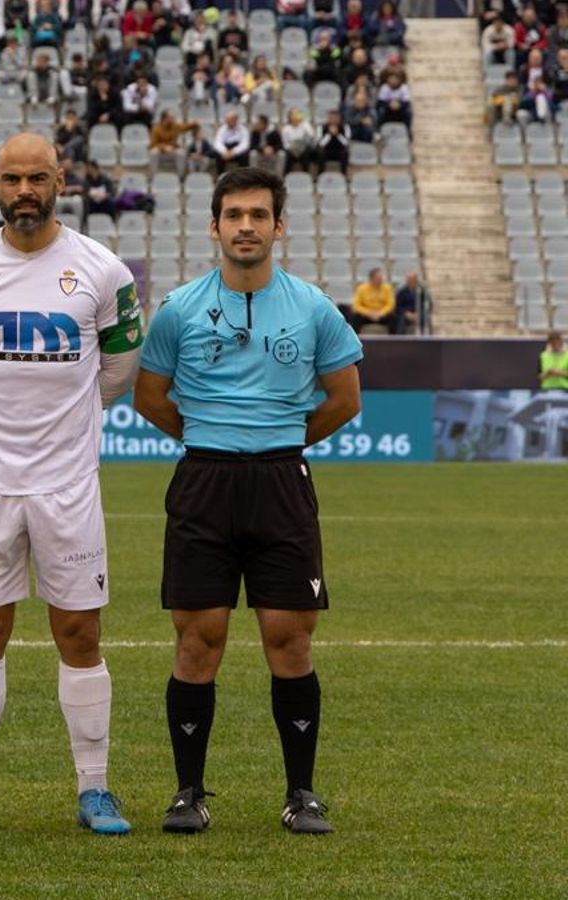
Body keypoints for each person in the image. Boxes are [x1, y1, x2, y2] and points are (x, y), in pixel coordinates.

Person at [0, 133, 143, 838]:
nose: (25, 190)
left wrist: (63, 425)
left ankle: (95, 789)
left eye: (37, 178)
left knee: (79, 630)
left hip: (68, 484)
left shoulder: (104, 272)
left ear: (60, 180)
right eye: (13, 179)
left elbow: (117, 373)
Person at [132, 166, 363, 836]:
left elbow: (345, 398)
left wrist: (280, 439)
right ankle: (188, 792)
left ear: (278, 227)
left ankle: (301, 793)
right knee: (197, 639)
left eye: (259, 216)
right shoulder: (178, 309)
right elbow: (149, 396)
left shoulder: (314, 307)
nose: (245, 227)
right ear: (214, 226)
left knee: (288, 638)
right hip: (203, 483)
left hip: (281, 484)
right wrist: (212, 439)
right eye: (233, 215)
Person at [348, 267, 395, 333]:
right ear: (371, 278)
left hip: (382, 315)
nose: (380, 279)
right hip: (367, 315)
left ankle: (393, 341)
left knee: (393, 317)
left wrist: (381, 313)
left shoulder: (387, 288)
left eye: (381, 277)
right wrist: (368, 313)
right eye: (378, 277)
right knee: (355, 317)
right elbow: (356, 305)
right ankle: (355, 340)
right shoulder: (362, 288)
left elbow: (390, 305)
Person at [394, 271, 429, 336]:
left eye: (413, 279)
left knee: (426, 319)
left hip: (419, 314)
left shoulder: (423, 291)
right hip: (406, 315)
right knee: (401, 319)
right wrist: (406, 313)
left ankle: (426, 341)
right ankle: (400, 340)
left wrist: (419, 314)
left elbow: (428, 305)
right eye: (409, 279)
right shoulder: (402, 291)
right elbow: (398, 306)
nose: (411, 281)